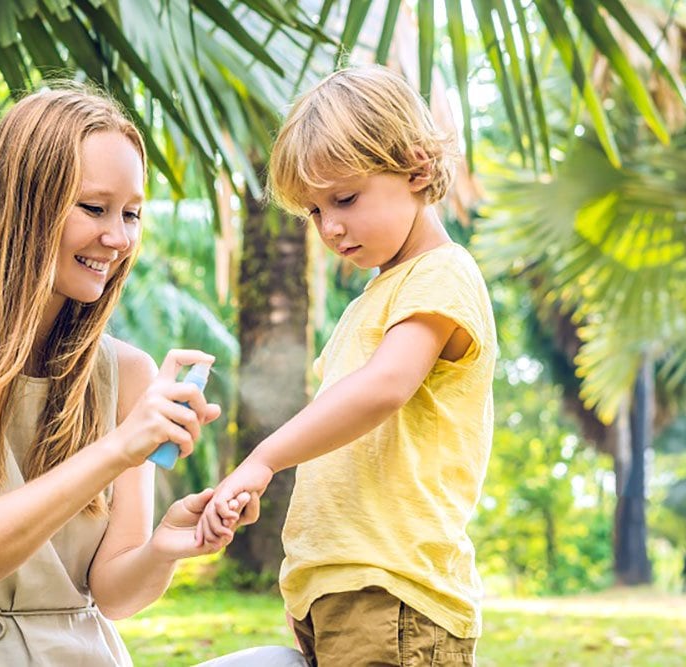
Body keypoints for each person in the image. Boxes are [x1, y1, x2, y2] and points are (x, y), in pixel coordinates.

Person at [0, 84, 302, 666]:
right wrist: (117, 450)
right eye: (94, 208)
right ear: (22, 208)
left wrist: (164, 547)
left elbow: (111, 591)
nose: (118, 238)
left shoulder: (125, 372)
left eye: (131, 214)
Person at [197, 65, 497, 666]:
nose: (330, 227)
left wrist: (263, 458)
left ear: (415, 168)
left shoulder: (442, 274)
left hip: (396, 591)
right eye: (313, 211)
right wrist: (311, 577)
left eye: (345, 199)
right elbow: (343, 452)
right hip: (344, 590)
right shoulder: (371, 302)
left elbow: (384, 389)